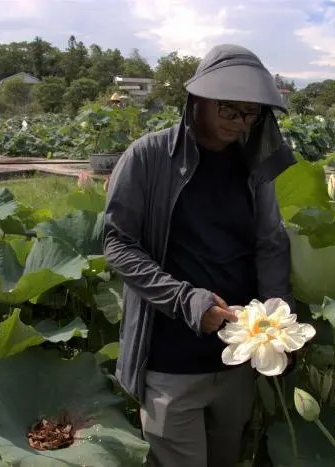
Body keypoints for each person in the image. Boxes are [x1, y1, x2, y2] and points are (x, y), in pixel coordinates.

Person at [103, 43, 296, 467]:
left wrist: (281, 323)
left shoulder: (253, 167)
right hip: (170, 363)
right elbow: (117, 244)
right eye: (230, 110)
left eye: (251, 114)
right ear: (199, 101)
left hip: (237, 360)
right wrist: (186, 300)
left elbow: (270, 245)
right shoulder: (149, 157)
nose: (239, 123)